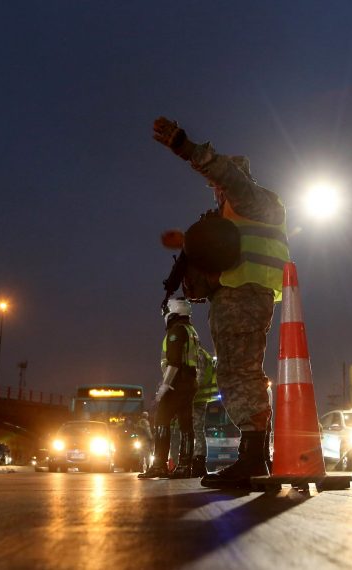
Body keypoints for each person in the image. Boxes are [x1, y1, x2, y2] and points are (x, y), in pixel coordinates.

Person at [153, 117, 289, 489]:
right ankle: (254, 454)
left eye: (217, 185)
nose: (215, 191)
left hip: (246, 292)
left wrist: (186, 146)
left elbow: (227, 176)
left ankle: (253, 457)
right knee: (235, 371)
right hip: (235, 292)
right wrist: (187, 242)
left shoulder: (249, 197)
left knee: (241, 373)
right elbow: (227, 245)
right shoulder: (237, 212)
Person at [139, 298, 200, 479]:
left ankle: (159, 465)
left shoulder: (176, 331)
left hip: (177, 382)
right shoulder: (191, 330)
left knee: (162, 421)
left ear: (172, 311)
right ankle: (184, 466)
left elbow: (173, 362)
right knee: (185, 424)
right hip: (190, 381)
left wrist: (164, 387)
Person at [190, 346, 218, 477]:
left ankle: (198, 463)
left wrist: (187, 392)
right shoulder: (203, 354)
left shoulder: (198, 354)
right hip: (199, 397)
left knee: (196, 430)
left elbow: (199, 378)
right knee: (197, 430)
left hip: (195, 397)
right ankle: (197, 462)